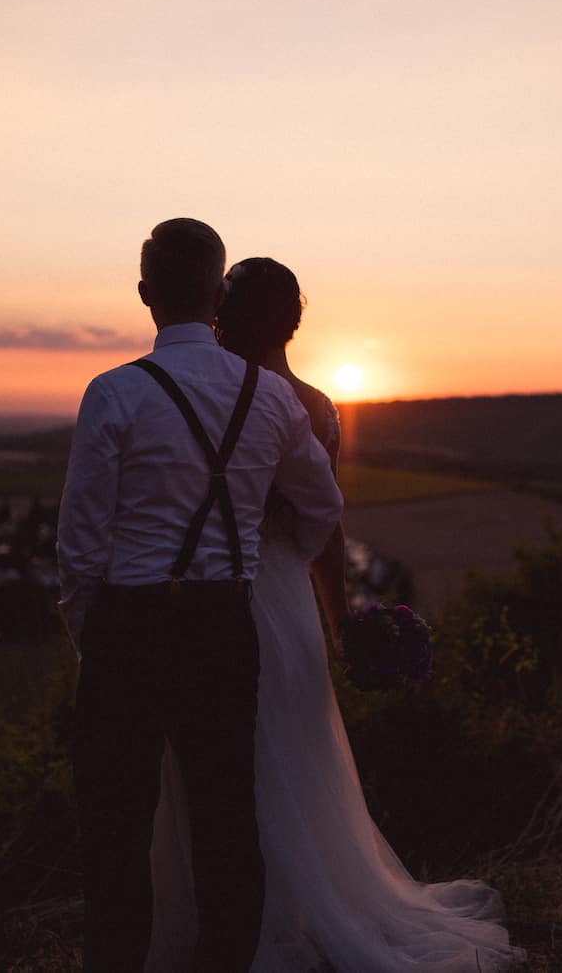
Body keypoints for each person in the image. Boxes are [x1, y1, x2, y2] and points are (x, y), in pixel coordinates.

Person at [145, 257, 525, 972]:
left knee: (218, 766)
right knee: (290, 761)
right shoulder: (315, 406)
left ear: (225, 315)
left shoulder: (201, 395)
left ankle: (230, 929)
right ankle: (289, 917)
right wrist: (341, 622)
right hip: (287, 607)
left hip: (208, 600)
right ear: (294, 319)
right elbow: (323, 532)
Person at [57, 221, 345, 973]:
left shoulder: (113, 393)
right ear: (217, 294)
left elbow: (81, 546)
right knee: (226, 818)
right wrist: (259, 560)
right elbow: (322, 505)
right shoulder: (271, 398)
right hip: (225, 622)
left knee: (115, 829)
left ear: (146, 294)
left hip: (130, 623)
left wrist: (96, 639)